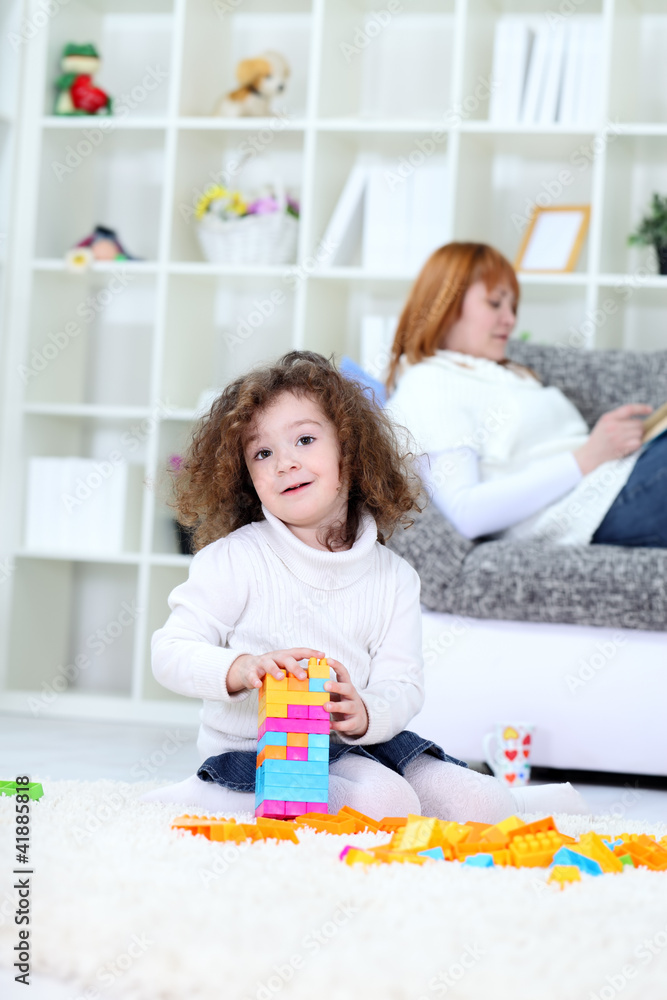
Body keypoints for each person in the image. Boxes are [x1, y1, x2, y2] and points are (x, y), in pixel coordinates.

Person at [141, 351, 586, 820]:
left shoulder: (394, 577)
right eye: (262, 453)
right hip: (254, 750)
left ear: (350, 451)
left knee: (482, 802)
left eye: (305, 439)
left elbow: (403, 684)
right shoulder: (234, 559)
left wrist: (366, 711)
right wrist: (241, 667)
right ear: (246, 477)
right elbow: (169, 652)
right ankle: (211, 795)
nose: (284, 463)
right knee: (384, 802)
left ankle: (517, 801)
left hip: (357, 746)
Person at [385, 242, 665, 547]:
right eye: (495, 303)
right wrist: (586, 458)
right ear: (445, 305)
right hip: (589, 506)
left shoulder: (505, 373)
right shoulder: (429, 382)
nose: (510, 319)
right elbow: (467, 512)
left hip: (614, 478)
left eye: (513, 307)